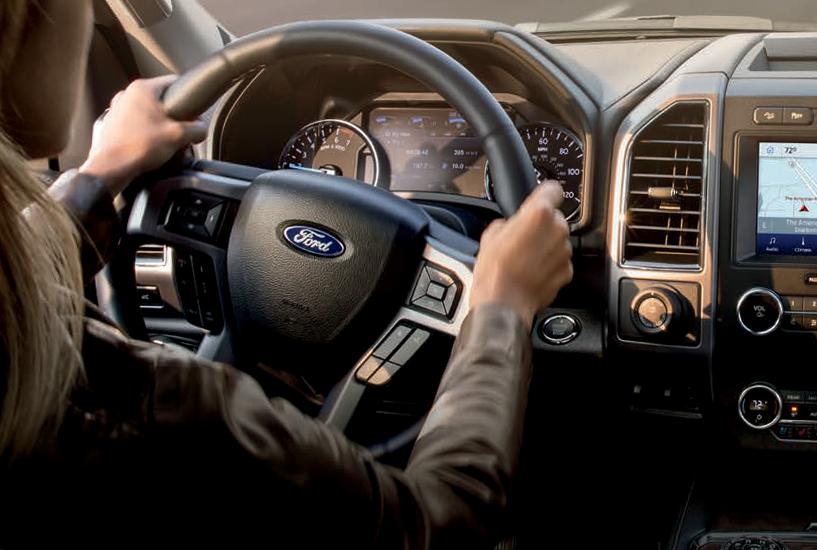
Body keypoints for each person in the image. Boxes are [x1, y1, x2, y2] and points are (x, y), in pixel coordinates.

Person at [0, 1, 573, 547]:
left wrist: (101, 172)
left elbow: (19, 270)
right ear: (26, 24)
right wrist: (500, 309)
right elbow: (437, 525)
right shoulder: (141, 406)